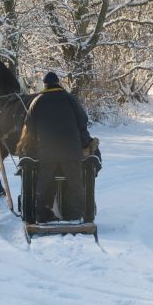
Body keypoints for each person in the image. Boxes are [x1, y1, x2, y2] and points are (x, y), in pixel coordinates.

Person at [17, 72, 91, 222]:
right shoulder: (70, 99)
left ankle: (42, 215)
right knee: (75, 183)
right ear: (58, 83)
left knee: (45, 183)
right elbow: (83, 120)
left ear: (45, 85)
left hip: (47, 151)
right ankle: (75, 215)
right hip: (71, 149)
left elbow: (29, 126)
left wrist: (31, 147)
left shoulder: (37, 101)